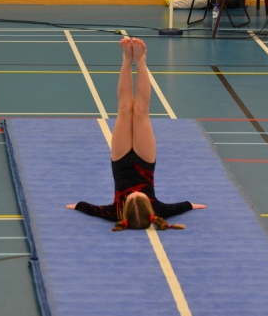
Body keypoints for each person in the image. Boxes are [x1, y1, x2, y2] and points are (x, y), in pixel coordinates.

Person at [66, 38, 206, 231]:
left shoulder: (115, 211)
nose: (135, 191)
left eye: (132, 195)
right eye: (141, 195)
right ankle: (140, 61)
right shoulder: (158, 210)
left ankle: (126, 59)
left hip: (120, 160)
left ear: (125, 208)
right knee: (140, 111)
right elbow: (178, 207)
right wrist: (192, 205)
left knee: (124, 109)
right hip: (145, 160)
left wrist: (77, 206)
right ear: (149, 206)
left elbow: (92, 209)